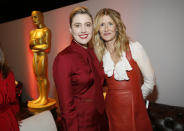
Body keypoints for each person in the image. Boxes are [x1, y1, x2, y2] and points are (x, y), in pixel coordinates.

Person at [93, 8, 155, 131]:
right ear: (98, 30)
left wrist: (137, 99)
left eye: (110, 23)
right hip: (111, 109)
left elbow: (150, 81)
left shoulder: (135, 48)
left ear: (117, 26)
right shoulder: (99, 54)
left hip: (134, 108)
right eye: (102, 24)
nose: (106, 29)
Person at [53, 7, 108, 131]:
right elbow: (66, 106)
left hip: (101, 120)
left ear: (92, 28)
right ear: (70, 30)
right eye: (77, 25)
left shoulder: (94, 53)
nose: (83, 30)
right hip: (81, 124)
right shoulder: (63, 59)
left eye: (87, 25)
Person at [28, 10, 51, 107]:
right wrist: (34, 44)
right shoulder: (32, 32)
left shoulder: (46, 31)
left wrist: (36, 47)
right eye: (32, 17)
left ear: (41, 17)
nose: (34, 20)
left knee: (43, 76)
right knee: (37, 77)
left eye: (36, 17)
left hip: (42, 56)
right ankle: (40, 97)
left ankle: (44, 98)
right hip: (35, 57)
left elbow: (47, 46)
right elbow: (30, 46)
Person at [0, 47, 20, 131]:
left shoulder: (8, 75)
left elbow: (13, 103)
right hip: (9, 120)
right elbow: (13, 103)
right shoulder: (8, 74)